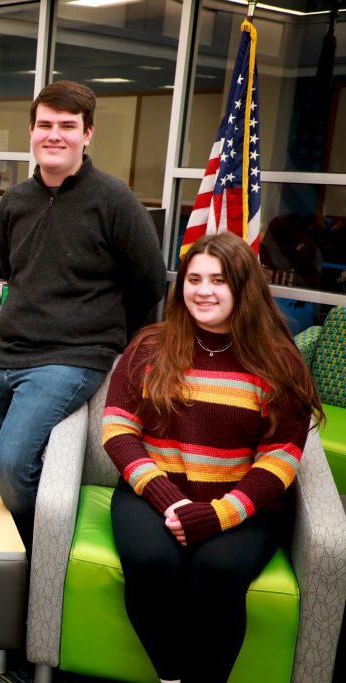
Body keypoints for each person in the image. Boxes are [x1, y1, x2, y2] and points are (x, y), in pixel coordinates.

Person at [0, 80, 167, 548]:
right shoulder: (15, 202)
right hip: (6, 352)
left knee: (10, 465)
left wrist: (104, 335)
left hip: (72, 357)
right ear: (30, 131)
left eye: (68, 126)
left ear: (87, 134)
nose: (55, 135)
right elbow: (15, 269)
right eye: (45, 124)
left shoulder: (115, 201)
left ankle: (32, 551)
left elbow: (148, 282)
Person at [103, 232, 323, 683]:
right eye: (194, 279)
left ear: (244, 287)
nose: (203, 290)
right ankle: (171, 676)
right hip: (153, 494)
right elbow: (118, 429)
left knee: (217, 571)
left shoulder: (280, 361)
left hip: (242, 502)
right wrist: (172, 502)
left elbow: (281, 457)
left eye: (219, 280)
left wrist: (220, 514)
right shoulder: (149, 347)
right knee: (151, 562)